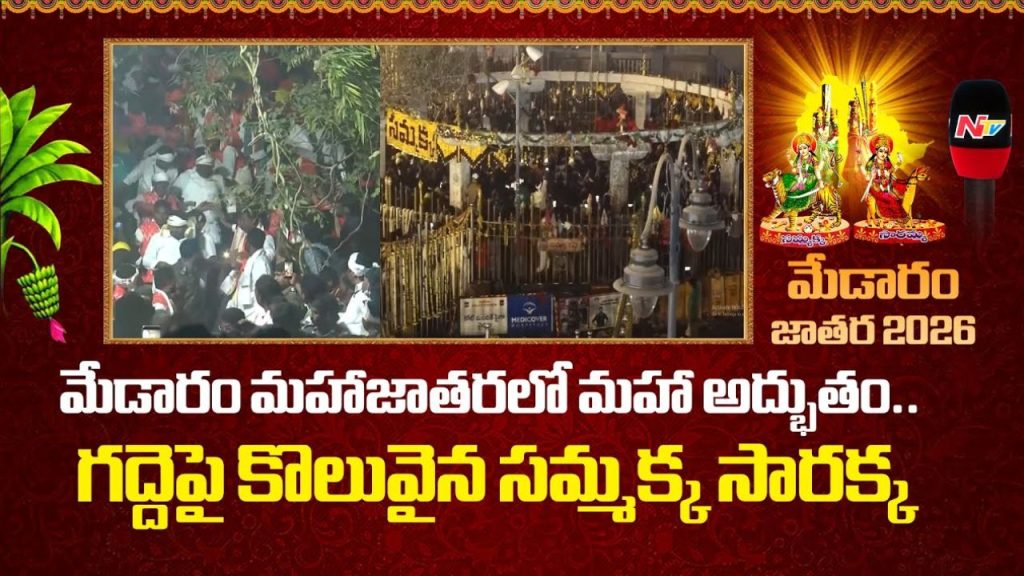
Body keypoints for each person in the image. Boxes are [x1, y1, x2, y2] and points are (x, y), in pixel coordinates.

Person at [230, 227, 273, 322]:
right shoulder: (253, 259)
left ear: (247, 244)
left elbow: (263, 290)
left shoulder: (261, 262)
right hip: (247, 308)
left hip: (256, 311)